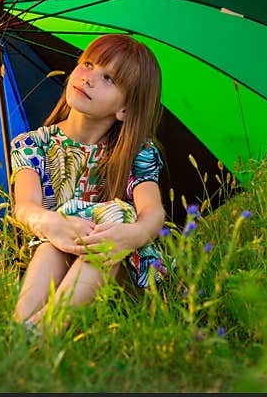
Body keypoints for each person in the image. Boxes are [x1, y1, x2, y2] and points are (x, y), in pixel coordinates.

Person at [10, 33, 166, 334]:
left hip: (118, 267)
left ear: (124, 109)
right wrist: (50, 223)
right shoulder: (32, 145)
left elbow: (153, 212)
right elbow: (25, 207)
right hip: (57, 258)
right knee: (52, 242)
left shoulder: (136, 152)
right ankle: (22, 333)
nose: (89, 78)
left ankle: (46, 327)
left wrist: (131, 235)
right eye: (88, 64)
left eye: (108, 78)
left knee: (118, 215)